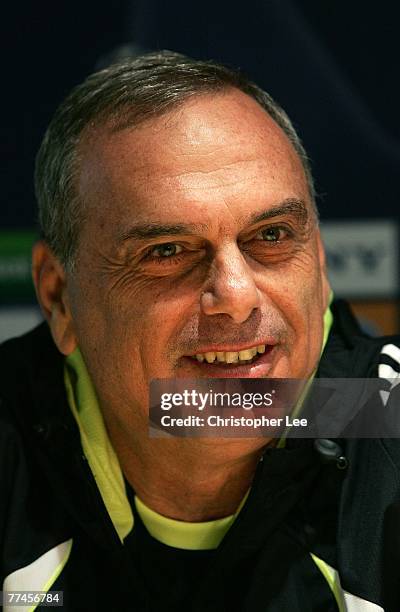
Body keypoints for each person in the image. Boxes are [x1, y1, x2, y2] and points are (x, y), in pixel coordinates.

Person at [1, 51, 399, 612]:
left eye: (272, 235)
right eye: (166, 251)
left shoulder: (388, 420)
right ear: (59, 298)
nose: (236, 297)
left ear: (322, 264)